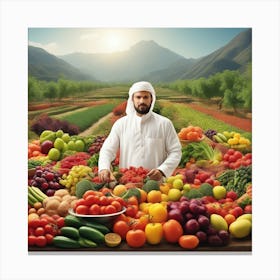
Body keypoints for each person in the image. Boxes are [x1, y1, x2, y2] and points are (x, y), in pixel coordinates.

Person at [98, 81, 182, 183]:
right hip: (127, 184)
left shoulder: (164, 123)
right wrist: (104, 167)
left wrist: (162, 170)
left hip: (157, 187)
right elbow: (107, 150)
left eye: (146, 97)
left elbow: (176, 151)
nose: (142, 100)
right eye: (138, 97)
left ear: (152, 99)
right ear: (132, 100)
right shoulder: (121, 124)